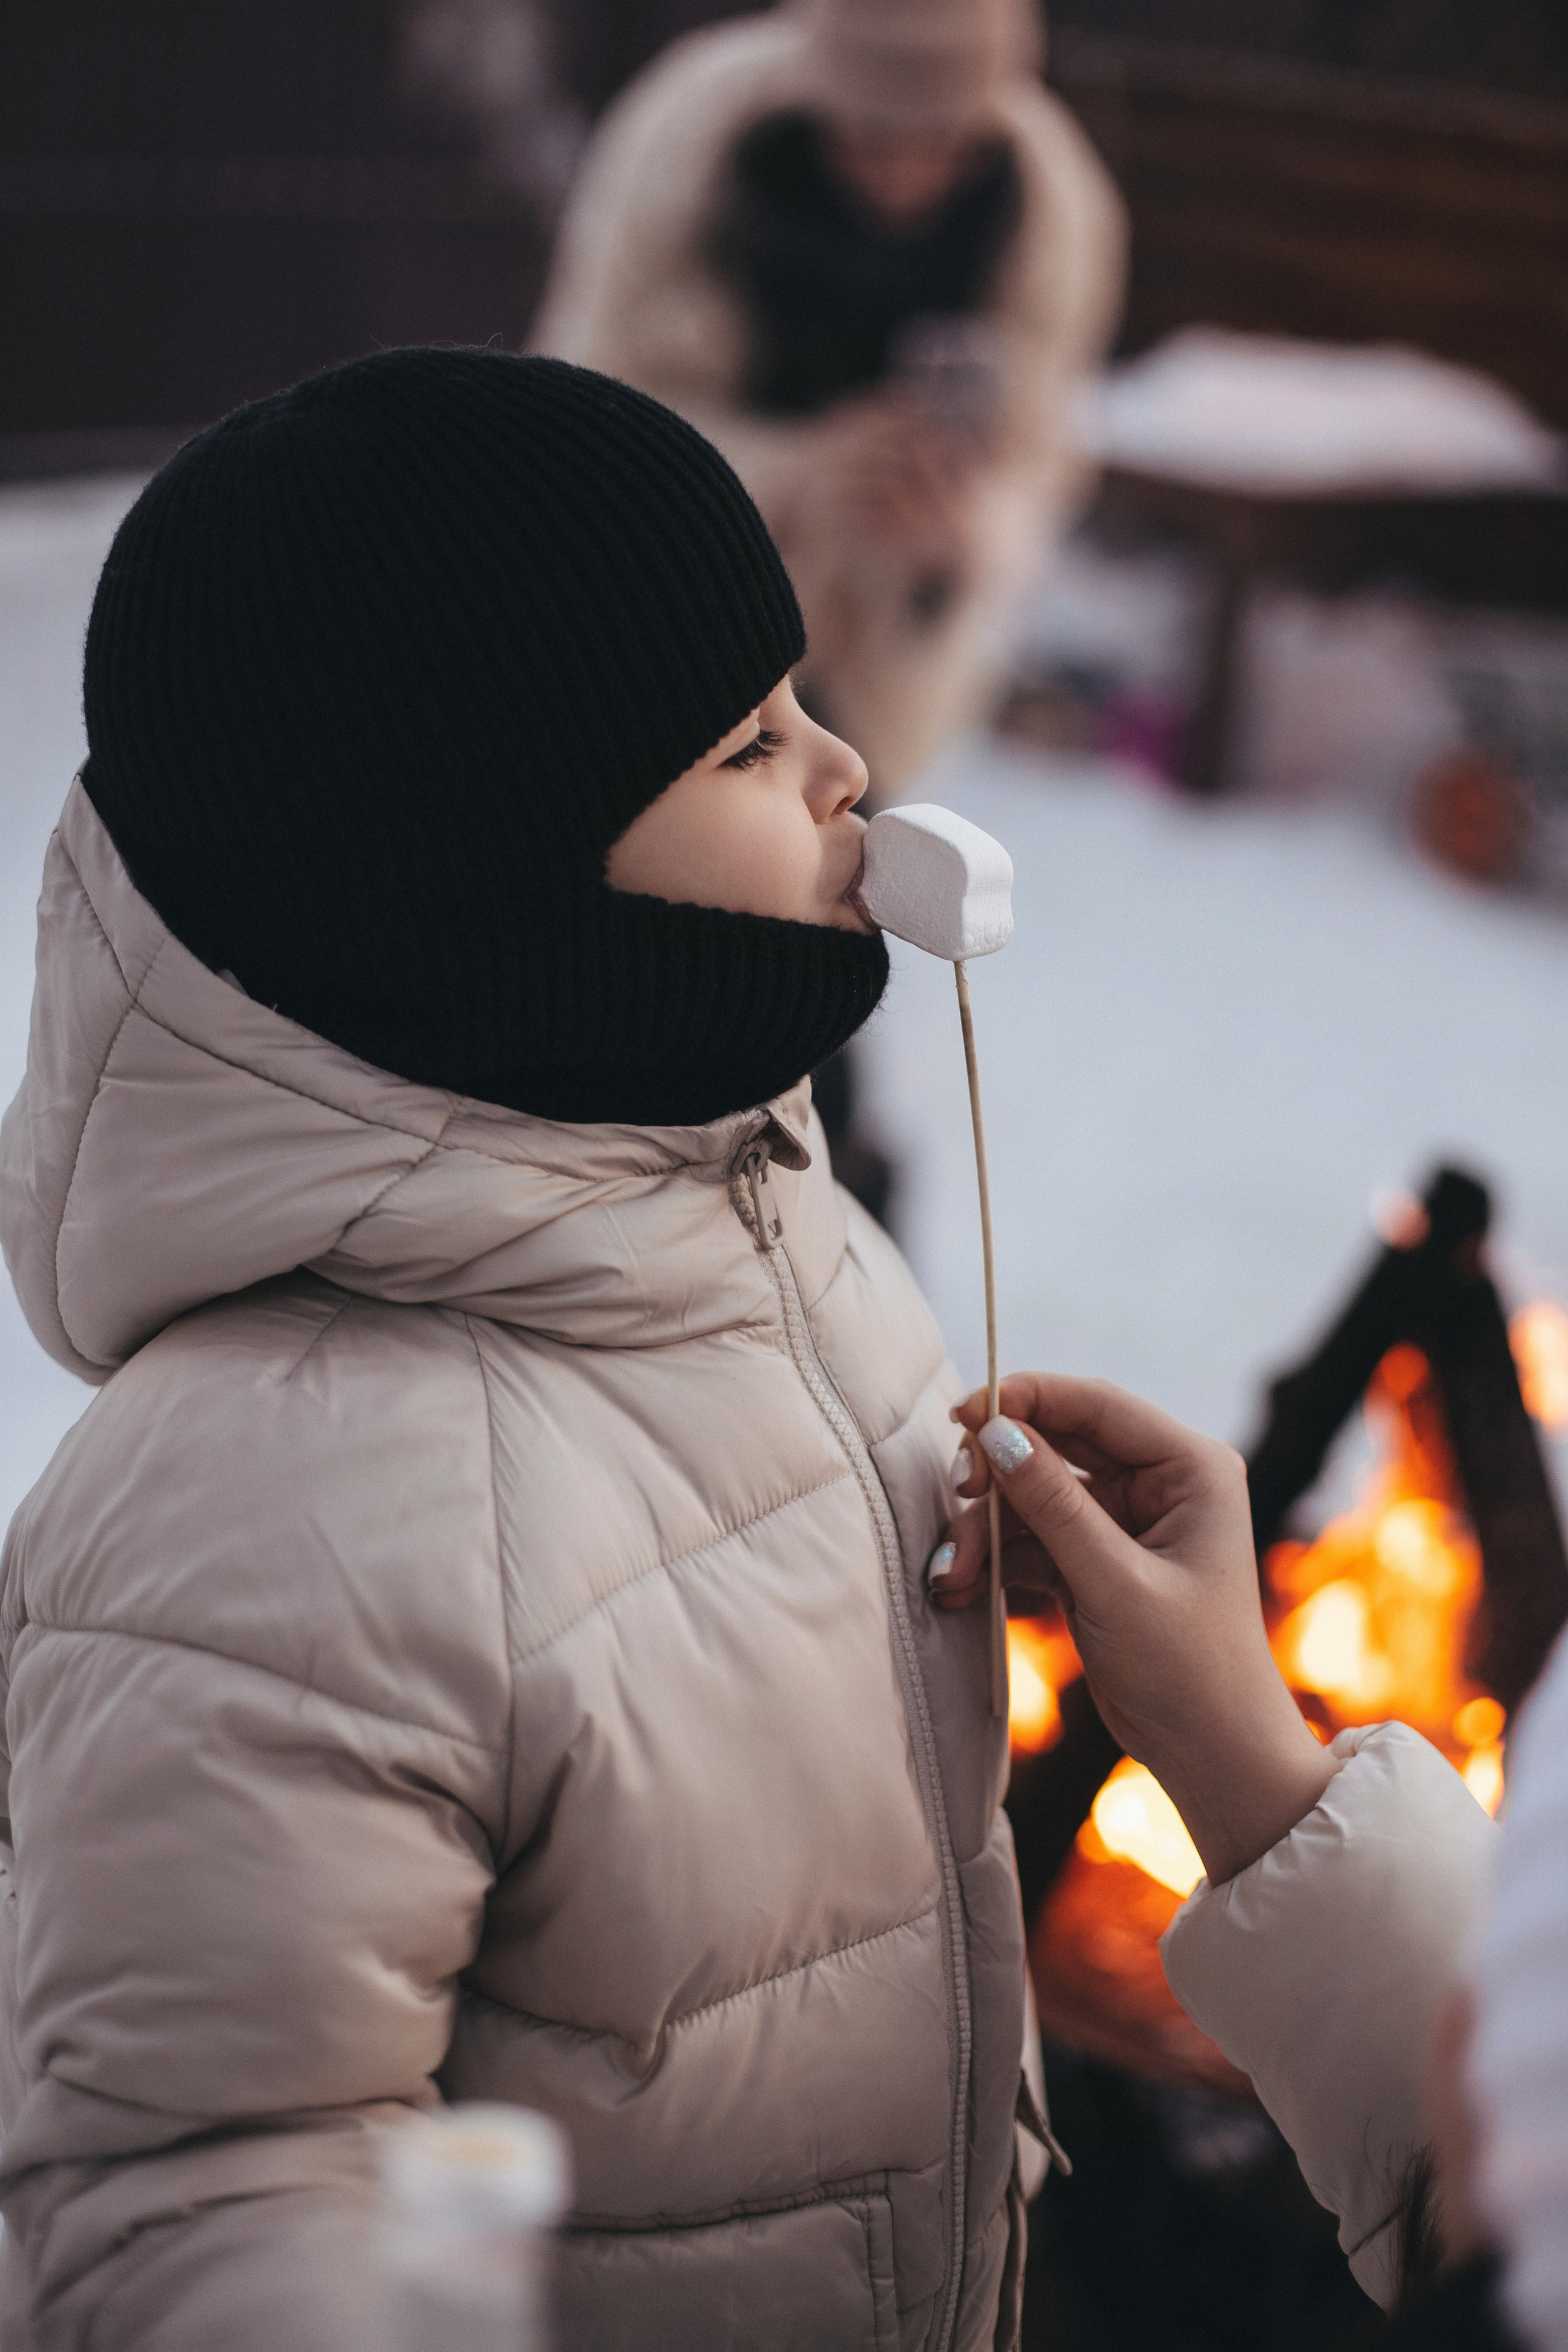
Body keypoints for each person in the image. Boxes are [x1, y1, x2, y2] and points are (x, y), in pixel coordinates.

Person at [0, 346, 1493, 2352]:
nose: (845, 769)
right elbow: (202, 2203)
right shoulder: (268, 1519)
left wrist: (1238, 1747)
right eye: (742, 746)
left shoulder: (742, 1205)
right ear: (481, 889)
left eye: (802, 700)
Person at [532, 0, 1126, 799]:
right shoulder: (691, 134)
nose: (906, 180)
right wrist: (792, 469)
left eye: (945, 145)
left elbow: (1042, 457)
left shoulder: (1048, 197)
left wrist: (957, 532)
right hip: (663, 615)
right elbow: (571, 410)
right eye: (875, 137)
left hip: (881, 659)